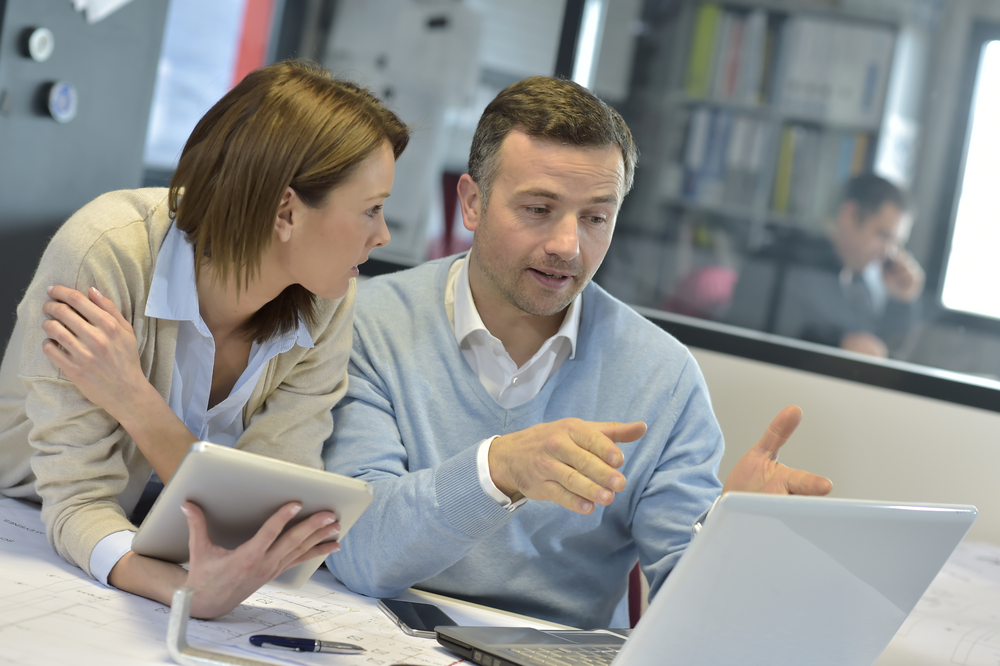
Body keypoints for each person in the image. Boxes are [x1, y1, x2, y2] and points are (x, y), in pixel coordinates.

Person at [322, 76, 832, 629]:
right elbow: (360, 552)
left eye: (595, 218)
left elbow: (688, 621)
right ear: (472, 202)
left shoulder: (662, 376)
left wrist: (735, 542)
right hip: (374, 635)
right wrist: (499, 470)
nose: (568, 245)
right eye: (539, 209)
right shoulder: (369, 324)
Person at [0, 61, 409, 619]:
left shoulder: (328, 295)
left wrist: (135, 399)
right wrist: (189, 595)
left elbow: (264, 518)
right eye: (371, 210)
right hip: (26, 520)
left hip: (164, 543)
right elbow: (76, 502)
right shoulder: (105, 251)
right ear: (286, 210)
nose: (382, 235)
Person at [726, 174, 924, 357]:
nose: (888, 252)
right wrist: (838, 345)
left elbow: (878, 349)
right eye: (883, 235)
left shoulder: (858, 283)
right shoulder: (786, 261)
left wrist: (902, 299)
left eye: (896, 243)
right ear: (849, 214)